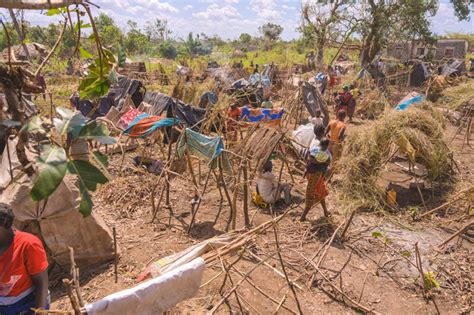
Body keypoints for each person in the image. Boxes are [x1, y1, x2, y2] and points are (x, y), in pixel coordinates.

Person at [0, 203, 49, 315]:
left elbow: (41, 283)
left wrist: (40, 312)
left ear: (4, 225)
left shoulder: (28, 245)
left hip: (26, 302)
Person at [300, 138, 331, 221]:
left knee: (320, 191)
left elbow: (309, 158)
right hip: (315, 176)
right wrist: (321, 162)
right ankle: (303, 217)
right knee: (311, 193)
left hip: (314, 174)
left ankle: (325, 211)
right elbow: (327, 163)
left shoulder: (315, 150)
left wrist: (316, 161)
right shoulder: (326, 154)